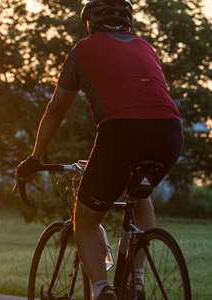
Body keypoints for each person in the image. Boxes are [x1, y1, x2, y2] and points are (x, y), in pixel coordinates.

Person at [15, 1, 183, 299]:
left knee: (87, 220)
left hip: (120, 134)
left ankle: (102, 289)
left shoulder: (83, 50)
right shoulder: (146, 48)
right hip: (170, 131)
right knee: (140, 194)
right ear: (129, 22)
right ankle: (138, 279)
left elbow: (55, 110)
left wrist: (35, 157)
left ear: (90, 23)